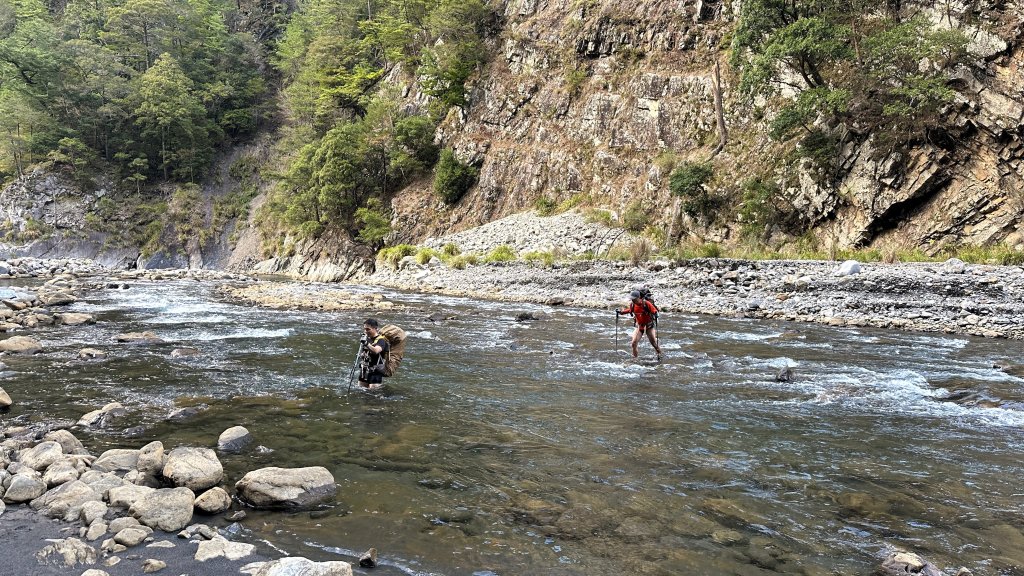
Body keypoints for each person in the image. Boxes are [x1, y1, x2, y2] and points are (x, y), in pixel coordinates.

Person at [617, 289, 663, 360]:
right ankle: (635, 359)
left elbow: (654, 311)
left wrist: (656, 314)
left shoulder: (646, 303)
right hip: (639, 326)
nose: (633, 300)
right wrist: (621, 312)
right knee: (634, 343)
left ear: (639, 298)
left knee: (654, 343)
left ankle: (660, 356)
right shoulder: (632, 305)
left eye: (634, 299)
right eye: (632, 299)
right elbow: (630, 310)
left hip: (649, 326)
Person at [358, 318, 390, 389]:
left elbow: (376, 351)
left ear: (375, 328)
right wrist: (362, 355)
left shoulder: (381, 340)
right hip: (364, 369)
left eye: (368, 329)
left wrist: (366, 343)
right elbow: (364, 352)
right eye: (364, 329)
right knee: (361, 391)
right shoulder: (367, 338)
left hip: (376, 371)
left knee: (374, 394)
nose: (366, 331)